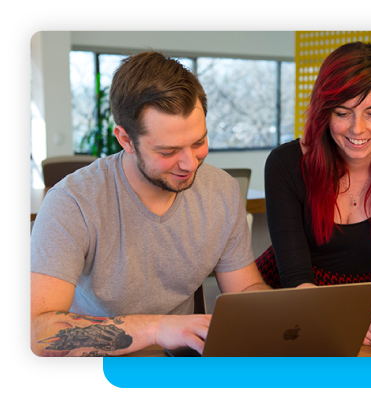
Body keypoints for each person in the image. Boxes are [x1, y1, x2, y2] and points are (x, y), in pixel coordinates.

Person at [30, 51, 271, 357]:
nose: (189, 164)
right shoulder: (72, 202)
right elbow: (39, 333)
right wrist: (158, 328)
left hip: (182, 366)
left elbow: (245, 290)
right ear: (125, 140)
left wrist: (280, 318)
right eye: (168, 150)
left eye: (198, 143)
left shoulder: (222, 191)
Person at [256, 42, 371, 351]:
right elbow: (296, 278)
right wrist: (351, 316)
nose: (358, 129)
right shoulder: (286, 164)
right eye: (342, 113)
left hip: (358, 312)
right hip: (281, 301)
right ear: (324, 112)